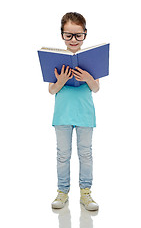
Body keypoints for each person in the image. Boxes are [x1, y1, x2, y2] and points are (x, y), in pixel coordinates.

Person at [49, 12, 99, 211]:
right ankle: (62, 191)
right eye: (69, 35)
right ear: (62, 35)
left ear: (85, 34)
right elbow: (51, 90)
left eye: (78, 35)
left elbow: (95, 88)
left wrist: (87, 77)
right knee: (63, 155)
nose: (73, 40)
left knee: (85, 154)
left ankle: (86, 193)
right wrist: (60, 81)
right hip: (62, 115)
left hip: (85, 115)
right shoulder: (55, 59)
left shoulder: (91, 59)